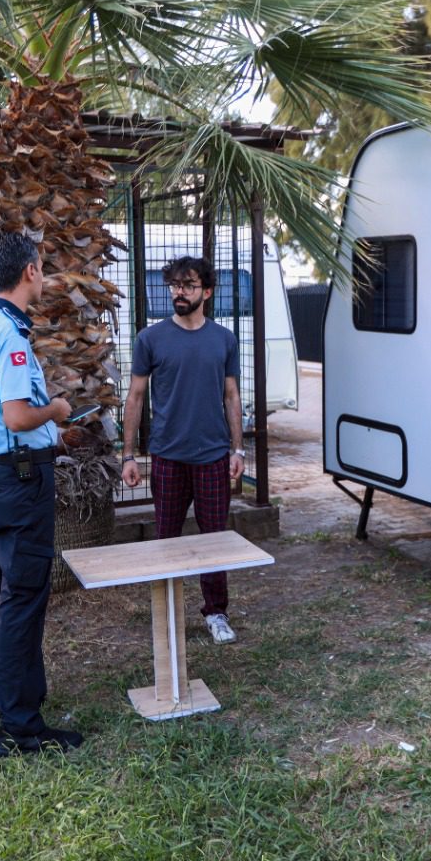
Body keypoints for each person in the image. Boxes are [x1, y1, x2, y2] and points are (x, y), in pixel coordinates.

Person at [0, 231, 82, 757]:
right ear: (29, 271)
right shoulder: (8, 334)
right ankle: (20, 725)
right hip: (21, 477)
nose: (45, 275)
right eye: (43, 266)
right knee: (23, 594)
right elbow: (18, 415)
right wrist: (56, 410)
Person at [121, 255, 246, 643]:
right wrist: (128, 455)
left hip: (212, 457)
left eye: (188, 285)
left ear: (206, 291)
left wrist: (238, 449)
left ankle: (216, 612)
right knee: (168, 538)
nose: (179, 291)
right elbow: (136, 396)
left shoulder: (224, 339)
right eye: (174, 285)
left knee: (214, 539)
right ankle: (168, 612)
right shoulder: (150, 338)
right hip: (167, 457)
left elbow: (232, 396)